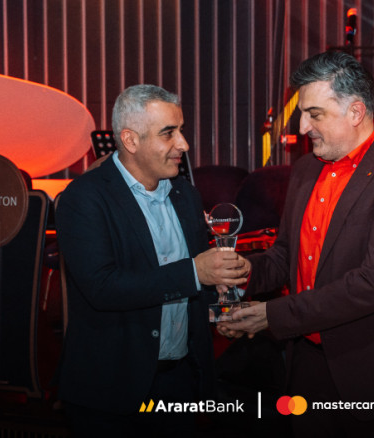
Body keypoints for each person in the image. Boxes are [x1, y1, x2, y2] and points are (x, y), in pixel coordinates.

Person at [218, 51, 374, 436]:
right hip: (307, 368)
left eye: (315, 114)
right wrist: (238, 273)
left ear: (355, 112)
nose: (303, 127)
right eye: (303, 114)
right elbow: (286, 255)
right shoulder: (307, 169)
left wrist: (273, 315)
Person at [55, 84, 250, 436]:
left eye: (181, 130)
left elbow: (196, 284)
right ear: (130, 140)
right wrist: (197, 272)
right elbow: (102, 288)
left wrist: (222, 301)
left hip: (179, 382)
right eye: (168, 133)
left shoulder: (186, 195)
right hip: (111, 391)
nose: (183, 144)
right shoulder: (84, 198)